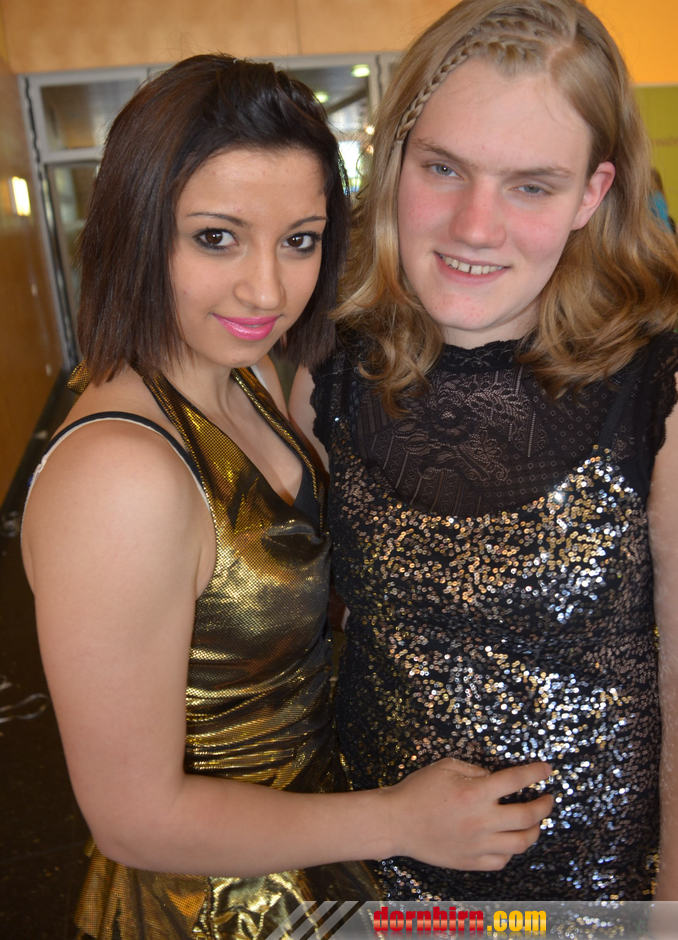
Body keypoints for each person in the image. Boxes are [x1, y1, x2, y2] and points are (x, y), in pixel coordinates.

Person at [21, 55, 553, 940]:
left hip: (310, 850)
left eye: (299, 240)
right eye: (216, 238)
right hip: (208, 906)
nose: (266, 290)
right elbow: (132, 819)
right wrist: (403, 819)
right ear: (136, 229)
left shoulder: (246, 374)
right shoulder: (121, 475)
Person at [290, 0, 678, 902]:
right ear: (394, 158)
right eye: (444, 168)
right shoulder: (324, 368)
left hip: (600, 902)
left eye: (531, 185)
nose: (474, 227)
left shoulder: (658, 386)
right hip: (378, 890)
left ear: (591, 194)